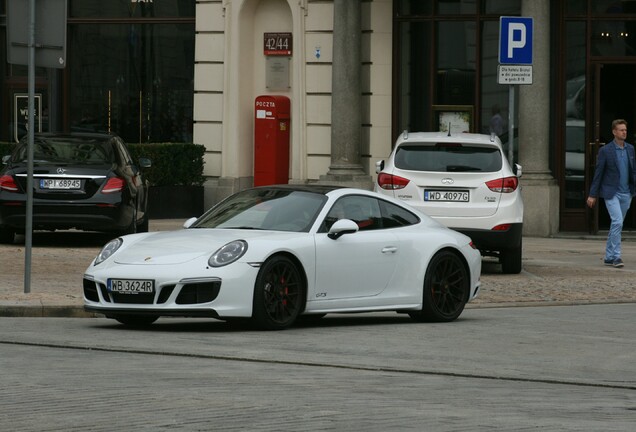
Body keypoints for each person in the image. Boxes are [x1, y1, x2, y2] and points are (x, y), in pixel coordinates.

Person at [587, 119, 636, 268]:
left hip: (626, 193)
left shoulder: (630, 149)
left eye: (625, 130)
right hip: (611, 192)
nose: (624, 132)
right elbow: (599, 173)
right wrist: (592, 194)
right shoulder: (606, 150)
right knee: (617, 222)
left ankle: (608, 256)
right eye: (621, 130)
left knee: (617, 225)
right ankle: (616, 256)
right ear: (614, 132)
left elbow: (633, 171)